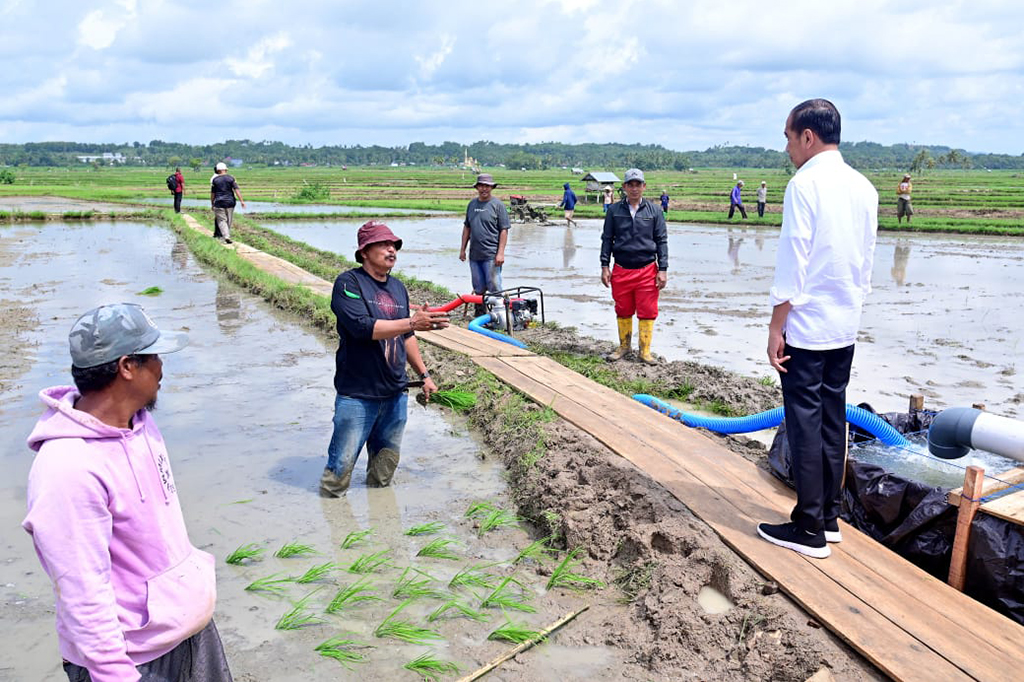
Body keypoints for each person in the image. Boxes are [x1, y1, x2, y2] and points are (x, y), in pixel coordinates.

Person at [22, 303, 232, 681]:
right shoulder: (68, 468)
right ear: (127, 367)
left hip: (187, 632)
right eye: (154, 357)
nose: (162, 368)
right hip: (133, 660)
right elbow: (82, 593)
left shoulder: (141, 423)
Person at [760, 98, 878, 559]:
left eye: (789, 137)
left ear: (807, 136)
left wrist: (776, 325)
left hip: (807, 328)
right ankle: (829, 517)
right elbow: (865, 261)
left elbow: (794, 262)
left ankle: (807, 527)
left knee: (804, 422)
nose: (787, 147)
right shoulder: (863, 186)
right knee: (833, 418)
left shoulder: (804, 184)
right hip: (844, 324)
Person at [320, 221, 449, 497]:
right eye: (383, 244)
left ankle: (383, 530)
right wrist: (412, 321)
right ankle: (335, 527)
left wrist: (424, 375)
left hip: (395, 394)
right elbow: (363, 328)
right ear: (364, 251)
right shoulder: (349, 283)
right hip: (357, 395)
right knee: (338, 475)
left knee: (383, 474)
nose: (391, 249)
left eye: (394, 245)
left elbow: (407, 336)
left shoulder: (398, 288)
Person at [600, 168, 668, 365]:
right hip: (621, 268)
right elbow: (607, 239)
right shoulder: (614, 211)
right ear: (624, 187)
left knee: (647, 310)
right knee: (623, 308)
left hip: (647, 269)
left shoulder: (654, 211)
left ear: (644, 186)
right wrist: (605, 266)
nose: (634, 188)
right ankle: (624, 346)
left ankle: (645, 351)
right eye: (631, 184)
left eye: (638, 184)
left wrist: (662, 269)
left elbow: (661, 240)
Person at [460, 173, 511, 314]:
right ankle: (480, 312)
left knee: (494, 285)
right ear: (477, 187)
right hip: (475, 254)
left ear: (491, 188)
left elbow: (504, 230)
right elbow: (467, 228)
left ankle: (499, 314)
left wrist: (500, 253)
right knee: (478, 286)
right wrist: (462, 249)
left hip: (491, 254)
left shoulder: (498, 205)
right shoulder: (472, 205)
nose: (484, 189)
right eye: (481, 186)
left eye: (487, 186)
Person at [210, 162, 245, 244]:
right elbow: (236, 190)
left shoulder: (215, 180)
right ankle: (226, 235)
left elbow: (212, 194)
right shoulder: (231, 178)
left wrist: (212, 203)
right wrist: (242, 201)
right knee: (229, 220)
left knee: (222, 220)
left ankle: (226, 236)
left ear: (217, 170)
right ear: (226, 170)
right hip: (230, 202)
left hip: (219, 202)